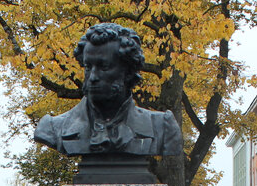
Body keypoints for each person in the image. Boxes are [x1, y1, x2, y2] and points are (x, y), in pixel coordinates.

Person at [33, 23, 182, 158]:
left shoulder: (162, 127)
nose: (92, 77)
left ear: (128, 72)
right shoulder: (53, 128)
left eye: (104, 67)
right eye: (88, 67)